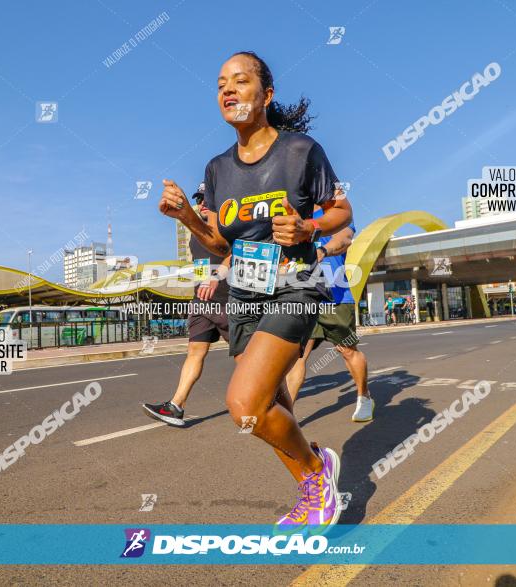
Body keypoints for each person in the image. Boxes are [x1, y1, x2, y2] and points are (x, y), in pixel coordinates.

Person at [157, 51, 352, 532]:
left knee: (244, 405)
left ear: (265, 94)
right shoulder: (217, 169)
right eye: (221, 82)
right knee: (272, 403)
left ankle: (317, 481)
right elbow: (220, 242)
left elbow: (342, 212)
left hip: (295, 286)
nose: (228, 89)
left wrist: (308, 227)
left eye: (240, 81)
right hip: (242, 293)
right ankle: (316, 473)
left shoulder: (301, 151)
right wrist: (186, 217)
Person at [143, 190, 230, 427]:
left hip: (229, 302)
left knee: (246, 358)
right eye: (199, 199)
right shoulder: (195, 234)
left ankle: (274, 402)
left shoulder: (228, 228)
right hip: (202, 303)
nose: (202, 203)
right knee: (194, 352)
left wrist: (217, 277)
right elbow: (200, 265)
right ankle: (176, 406)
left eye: (207, 200)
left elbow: (238, 253)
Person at [284, 208, 373, 422]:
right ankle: (286, 414)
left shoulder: (336, 212)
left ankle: (364, 397)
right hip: (304, 296)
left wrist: (322, 251)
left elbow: (345, 239)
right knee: (297, 356)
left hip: (336, 296)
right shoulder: (295, 211)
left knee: (347, 351)